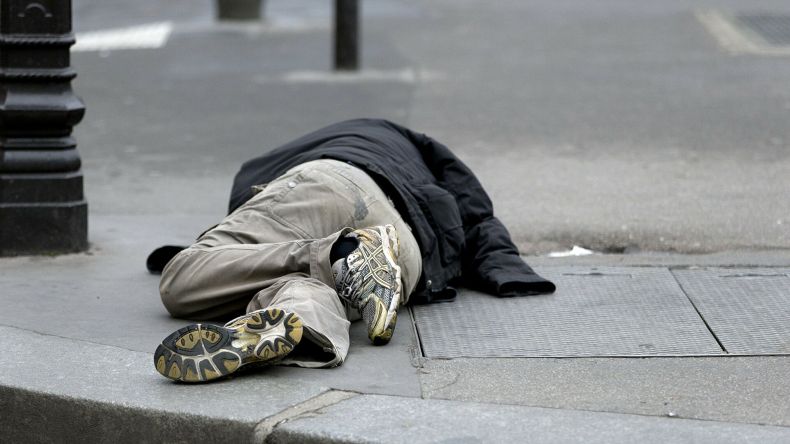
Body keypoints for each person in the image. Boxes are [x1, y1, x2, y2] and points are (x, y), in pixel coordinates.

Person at [149, 118, 555, 382]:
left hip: (326, 187)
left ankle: (342, 252)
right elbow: (479, 215)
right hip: (407, 251)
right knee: (300, 285)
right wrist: (508, 271)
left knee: (181, 279)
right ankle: (300, 326)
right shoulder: (419, 152)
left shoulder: (318, 144)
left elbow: (243, 201)